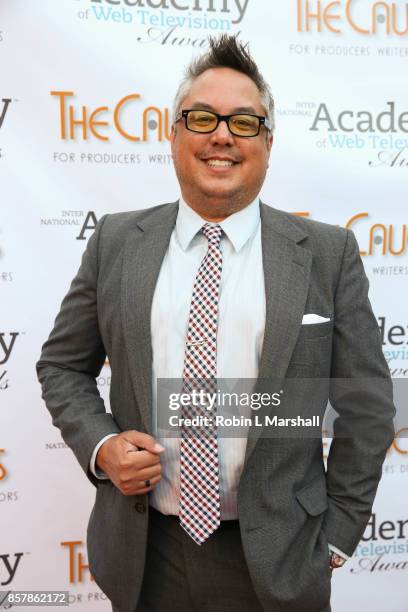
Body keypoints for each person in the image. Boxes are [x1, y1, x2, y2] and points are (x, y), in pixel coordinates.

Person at [37, 34, 395, 612]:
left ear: (269, 143)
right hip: (144, 556)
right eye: (202, 118)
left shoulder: (328, 254)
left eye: (244, 122)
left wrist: (336, 536)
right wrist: (102, 446)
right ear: (173, 134)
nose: (222, 135)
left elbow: (369, 404)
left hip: (281, 563)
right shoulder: (115, 243)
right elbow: (61, 365)